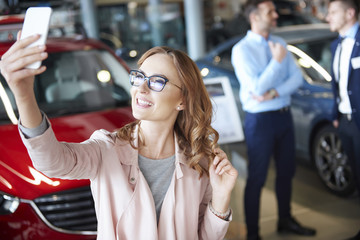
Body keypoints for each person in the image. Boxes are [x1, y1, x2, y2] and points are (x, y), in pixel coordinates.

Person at [0, 32, 238, 240]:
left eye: (156, 82)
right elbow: (51, 162)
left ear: (183, 100)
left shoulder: (200, 161)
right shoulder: (107, 149)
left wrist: (221, 196)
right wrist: (23, 95)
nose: (141, 89)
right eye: (139, 77)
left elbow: (206, 237)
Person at [231, 0, 316, 239]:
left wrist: (274, 93)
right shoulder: (242, 50)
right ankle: (254, 234)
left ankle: (285, 220)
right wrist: (277, 62)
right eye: (270, 11)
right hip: (259, 122)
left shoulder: (279, 43)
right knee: (257, 177)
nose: (276, 15)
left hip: (283, 116)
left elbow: (296, 79)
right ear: (255, 17)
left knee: (287, 172)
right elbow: (256, 86)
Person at [326, 1, 360, 239]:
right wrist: (336, 115)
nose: (328, 17)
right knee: (357, 177)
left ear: (350, 13)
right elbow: (337, 84)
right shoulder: (336, 44)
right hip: (346, 122)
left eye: (333, 12)